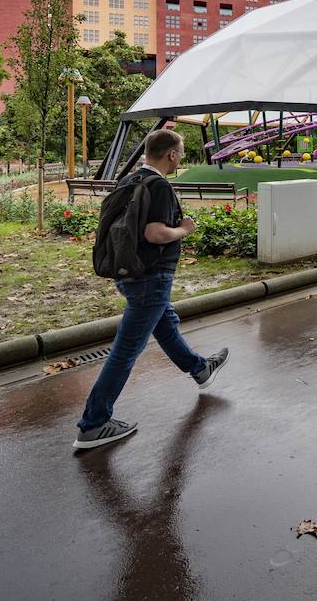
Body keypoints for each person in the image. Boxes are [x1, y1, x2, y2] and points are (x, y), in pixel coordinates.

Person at [73, 129, 230, 450]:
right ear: (171, 154)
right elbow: (155, 233)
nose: (181, 158)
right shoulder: (158, 186)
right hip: (151, 277)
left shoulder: (130, 180)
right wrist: (184, 229)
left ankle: (200, 369)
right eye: (181, 153)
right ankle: (94, 423)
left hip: (129, 271)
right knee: (126, 349)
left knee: (165, 324)